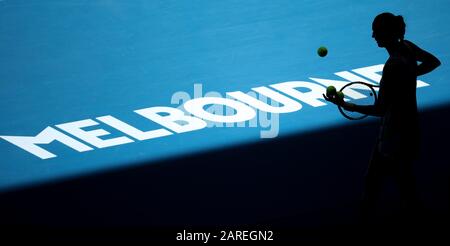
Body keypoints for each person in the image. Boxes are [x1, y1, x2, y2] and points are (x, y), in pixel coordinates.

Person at [324, 12, 441, 224]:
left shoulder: (392, 66)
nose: (372, 36)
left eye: (376, 31)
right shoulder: (408, 48)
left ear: (386, 34)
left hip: (393, 137)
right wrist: (410, 75)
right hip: (410, 130)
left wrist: (345, 105)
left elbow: (379, 110)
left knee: (377, 183)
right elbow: (434, 62)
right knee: (402, 184)